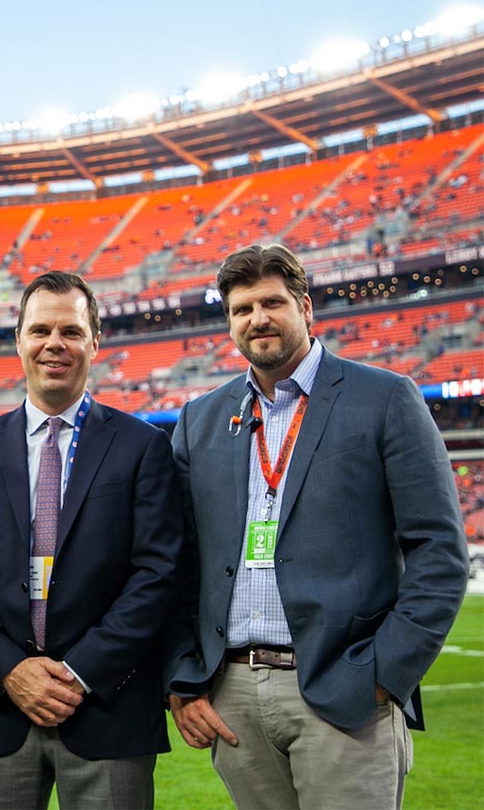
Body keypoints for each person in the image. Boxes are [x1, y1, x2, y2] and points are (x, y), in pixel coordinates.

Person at [165, 243, 468, 809]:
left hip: (344, 689)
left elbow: (439, 553)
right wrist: (183, 677)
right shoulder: (200, 419)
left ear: (306, 308)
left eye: (272, 302)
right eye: (241, 309)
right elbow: (178, 562)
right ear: (229, 321)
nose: (258, 319)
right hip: (233, 696)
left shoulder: (384, 398)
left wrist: (382, 676)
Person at [0, 271, 182, 808]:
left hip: (107, 705)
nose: (55, 344)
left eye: (71, 331)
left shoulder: (143, 446)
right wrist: (10, 669)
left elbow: (158, 572)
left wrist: (79, 672)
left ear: (95, 342)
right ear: (19, 341)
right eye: (41, 330)